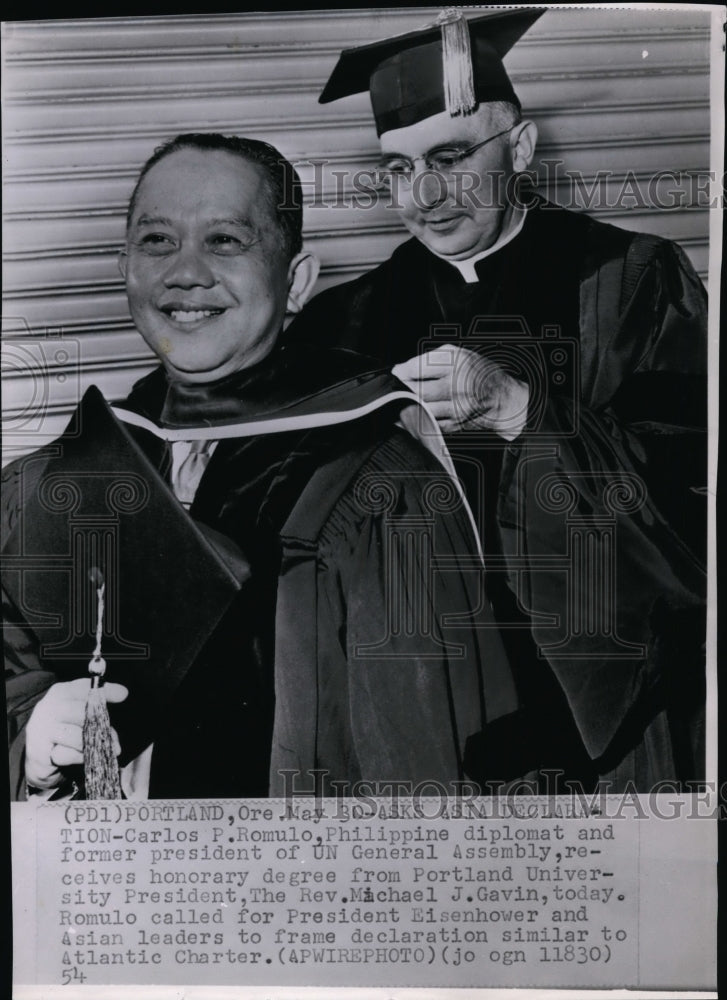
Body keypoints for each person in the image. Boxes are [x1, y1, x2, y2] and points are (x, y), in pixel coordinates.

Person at [3, 132, 526, 801]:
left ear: (297, 279)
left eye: (225, 240)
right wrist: (35, 744)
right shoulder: (55, 478)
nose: (184, 271)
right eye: (156, 240)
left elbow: (424, 769)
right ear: (124, 265)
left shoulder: (383, 490)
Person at [286, 10, 708, 790]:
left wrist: (526, 413)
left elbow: (692, 498)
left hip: (613, 715)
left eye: (449, 156)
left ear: (519, 148)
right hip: (430, 714)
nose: (426, 194)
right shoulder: (343, 323)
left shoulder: (630, 279)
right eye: (398, 168)